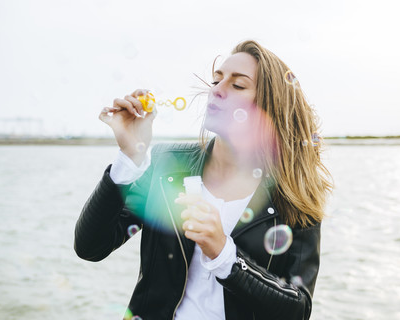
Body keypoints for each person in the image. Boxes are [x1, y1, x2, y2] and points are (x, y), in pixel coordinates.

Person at [74, 40, 333, 320]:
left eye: (237, 85)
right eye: (216, 80)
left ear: (269, 108)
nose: (216, 91)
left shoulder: (295, 194)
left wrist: (225, 256)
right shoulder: (166, 166)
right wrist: (129, 158)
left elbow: (297, 310)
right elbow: (90, 247)